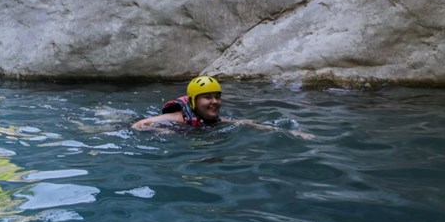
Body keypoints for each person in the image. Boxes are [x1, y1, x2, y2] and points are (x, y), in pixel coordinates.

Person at [131, 75, 314, 139]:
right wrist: (164, 132)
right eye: (208, 97)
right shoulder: (176, 119)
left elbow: (246, 122)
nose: (215, 102)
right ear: (193, 102)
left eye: (217, 97)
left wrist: (291, 133)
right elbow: (137, 125)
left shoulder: (216, 120)